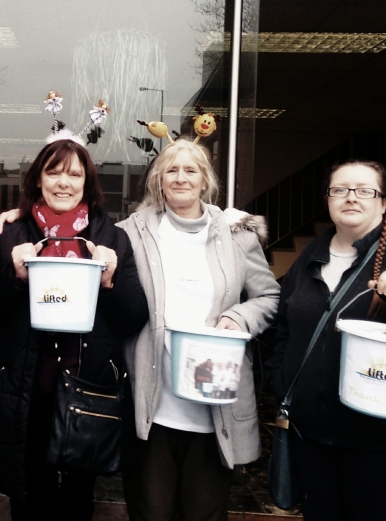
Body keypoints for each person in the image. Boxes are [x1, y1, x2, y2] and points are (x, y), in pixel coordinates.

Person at [0, 137, 149, 520]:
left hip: (87, 387)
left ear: (87, 182)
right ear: (38, 180)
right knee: (29, 495)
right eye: (54, 172)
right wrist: (13, 277)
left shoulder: (111, 237)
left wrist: (110, 281)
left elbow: (133, 318)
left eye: (74, 174)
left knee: (79, 498)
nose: (64, 182)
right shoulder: (11, 234)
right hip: (26, 390)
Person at [265, 161, 386, 519]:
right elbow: (284, 326)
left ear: (384, 202)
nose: (351, 198)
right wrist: (280, 381)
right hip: (311, 436)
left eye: (364, 191)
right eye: (340, 190)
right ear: (328, 199)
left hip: (381, 441)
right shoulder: (312, 254)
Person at [116, 139, 279, 520]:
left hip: (213, 406)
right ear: (158, 180)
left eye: (191, 170)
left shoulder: (237, 233)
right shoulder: (132, 233)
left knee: (204, 514)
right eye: (171, 170)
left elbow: (270, 297)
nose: (181, 178)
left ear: (205, 180)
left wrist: (238, 318)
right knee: (150, 512)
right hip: (152, 407)